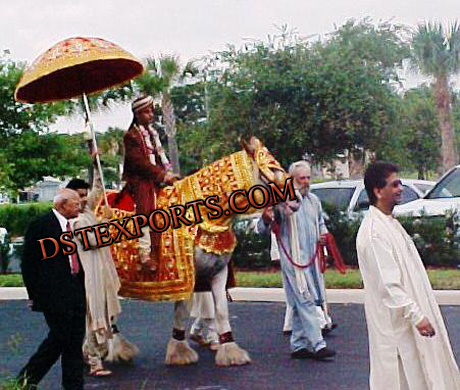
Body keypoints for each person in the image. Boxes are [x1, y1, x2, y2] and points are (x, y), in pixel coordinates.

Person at [356, 162, 459, 390]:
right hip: (396, 328)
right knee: (401, 380)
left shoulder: (389, 224)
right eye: (394, 184)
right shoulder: (374, 233)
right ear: (377, 191)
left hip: (409, 320)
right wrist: (417, 317)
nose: (400, 188)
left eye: (399, 183)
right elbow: (388, 286)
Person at [258, 161, 336, 360]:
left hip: (311, 257)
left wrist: (323, 236)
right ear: (292, 180)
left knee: (299, 301)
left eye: (309, 177)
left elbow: (320, 223)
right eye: (302, 178)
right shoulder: (283, 202)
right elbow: (264, 226)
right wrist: (267, 219)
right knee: (306, 299)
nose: (306, 182)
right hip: (294, 260)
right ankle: (318, 344)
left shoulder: (314, 201)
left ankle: (298, 344)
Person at [67, 162, 137, 376]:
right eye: (79, 195)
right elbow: (93, 240)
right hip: (90, 276)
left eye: (84, 194)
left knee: (101, 317)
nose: (83, 198)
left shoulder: (86, 211)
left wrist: (95, 160)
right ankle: (94, 361)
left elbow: (98, 190)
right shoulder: (76, 220)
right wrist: (106, 220)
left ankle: (89, 355)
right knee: (93, 318)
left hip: (100, 272)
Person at [18, 189, 86, 390]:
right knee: (58, 338)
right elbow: (29, 264)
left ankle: (74, 386)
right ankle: (26, 380)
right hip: (54, 295)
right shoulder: (41, 226)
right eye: (75, 204)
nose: (79, 207)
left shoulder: (73, 227)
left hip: (75, 291)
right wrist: (34, 295)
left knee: (74, 342)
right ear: (62, 205)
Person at [121, 95, 178, 267]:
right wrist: (162, 176)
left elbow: (159, 158)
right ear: (137, 114)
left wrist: (169, 175)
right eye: (146, 112)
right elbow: (139, 163)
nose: (151, 115)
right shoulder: (131, 136)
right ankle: (145, 252)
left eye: (152, 111)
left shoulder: (154, 134)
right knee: (147, 209)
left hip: (156, 178)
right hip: (141, 180)